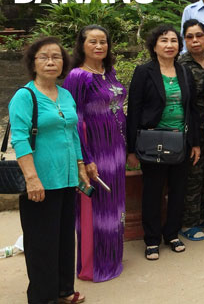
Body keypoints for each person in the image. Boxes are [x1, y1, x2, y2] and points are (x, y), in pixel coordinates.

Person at [9, 37, 89, 304]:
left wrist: (80, 166)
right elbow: (19, 139)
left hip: (66, 179)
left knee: (65, 238)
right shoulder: (25, 95)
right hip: (41, 180)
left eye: (56, 57)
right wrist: (32, 179)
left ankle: (64, 290)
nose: (51, 61)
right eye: (44, 56)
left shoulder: (65, 94)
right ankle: (42, 298)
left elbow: (73, 133)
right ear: (33, 62)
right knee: (41, 244)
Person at [126, 25, 201, 260]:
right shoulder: (143, 72)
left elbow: (192, 109)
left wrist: (195, 142)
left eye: (173, 41)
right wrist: (131, 148)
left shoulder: (184, 72)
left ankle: (172, 234)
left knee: (178, 190)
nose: (169, 45)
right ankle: (151, 239)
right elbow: (134, 111)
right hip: (153, 141)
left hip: (180, 141)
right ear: (154, 46)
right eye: (163, 41)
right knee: (152, 191)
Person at [63, 25, 126, 282]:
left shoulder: (108, 73)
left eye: (103, 41)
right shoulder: (78, 76)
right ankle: (94, 265)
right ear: (82, 45)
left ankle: (113, 257)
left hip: (116, 150)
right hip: (95, 150)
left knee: (115, 207)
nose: (99, 46)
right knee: (96, 208)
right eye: (93, 42)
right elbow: (74, 120)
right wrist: (84, 158)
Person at [177, 19, 204, 241]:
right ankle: (188, 223)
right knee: (193, 175)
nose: (195, 40)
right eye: (190, 37)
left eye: (199, 35)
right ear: (185, 40)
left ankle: (202, 216)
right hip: (191, 128)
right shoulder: (181, 65)